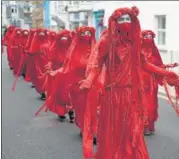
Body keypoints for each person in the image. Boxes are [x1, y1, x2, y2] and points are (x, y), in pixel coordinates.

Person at [79, 6, 179, 159]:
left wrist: (166, 73)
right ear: (114, 22)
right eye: (121, 19)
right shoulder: (106, 42)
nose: (125, 22)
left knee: (132, 132)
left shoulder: (134, 42)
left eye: (128, 19)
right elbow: (97, 65)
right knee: (114, 132)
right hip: (112, 96)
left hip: (131, 96)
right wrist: (89, 80)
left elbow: (145, 64)